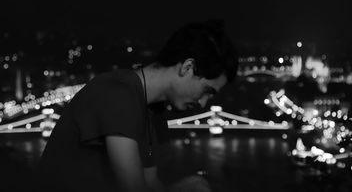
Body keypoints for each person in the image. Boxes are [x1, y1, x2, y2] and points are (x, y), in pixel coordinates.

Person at [36, 19, 238, 192]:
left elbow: (149, 184)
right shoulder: (119, 95)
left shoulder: (153, 108)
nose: (203, 104)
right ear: (188, 67)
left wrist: (184, 187)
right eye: (207, 91)